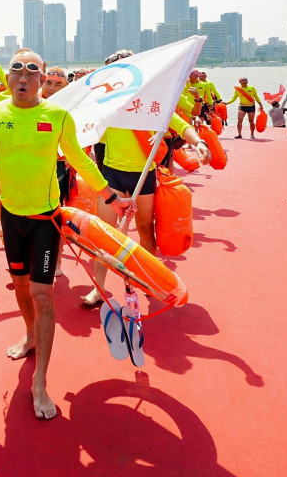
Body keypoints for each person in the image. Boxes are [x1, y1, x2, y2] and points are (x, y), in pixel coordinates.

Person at [0, 48, 133, 420]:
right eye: (17, 71)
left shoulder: (57, 116)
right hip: (11, 218)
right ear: (8, 77)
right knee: (21, 287)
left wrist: (111, 197)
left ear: (41, 79)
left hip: (45, 220)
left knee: (42, 295)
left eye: (32, 72)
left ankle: (40, 381)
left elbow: (79, 159)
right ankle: (29, 335)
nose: (24, 78)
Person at [79, 53, 210, 307]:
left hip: (144, 175)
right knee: (103, 233)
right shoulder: (106, 101)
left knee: (145, 230)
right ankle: (99, 288)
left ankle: (147, 280)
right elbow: (80, 124)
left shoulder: (151, 103)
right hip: (112, 174)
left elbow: (179, 123)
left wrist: (199, 142)